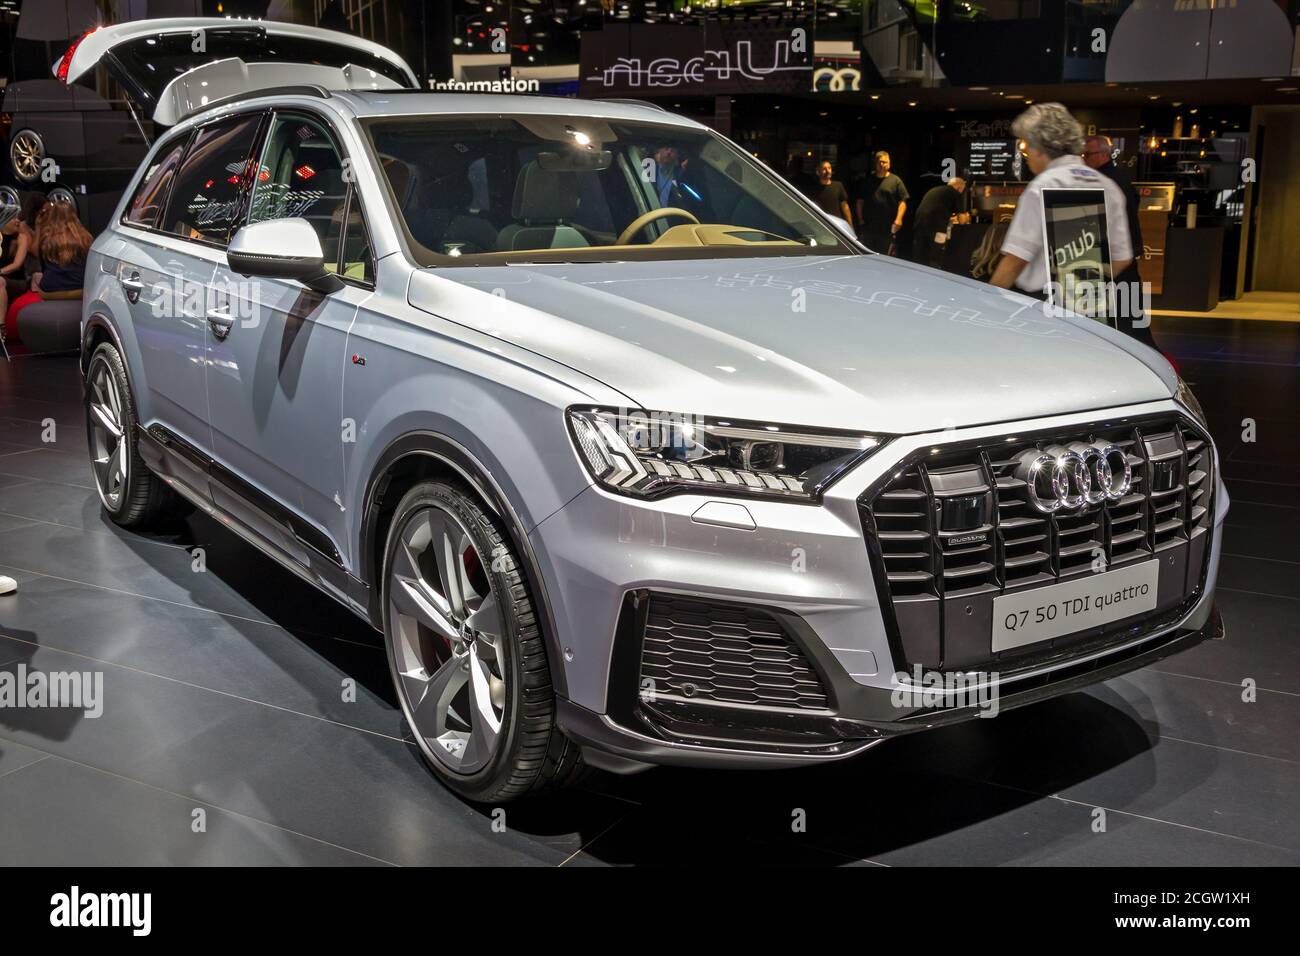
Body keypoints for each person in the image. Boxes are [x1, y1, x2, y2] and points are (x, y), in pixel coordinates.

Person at [991, 104, 1133, 309]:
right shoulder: (1108, 186)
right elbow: (1122, 258)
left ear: (1039, 148)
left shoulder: (1044, 185)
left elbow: (1016, 260)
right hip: (1089, 304)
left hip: (1038, 304)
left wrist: (989, 302)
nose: (1027, 156)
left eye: (1027, 147)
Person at [1083, 134, 1153, 345]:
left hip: (1113, 261)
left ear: (1104, 154)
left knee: (1122, 323)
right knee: (1131, 321)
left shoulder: (1103, 182)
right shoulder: (1120, 178)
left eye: (1088, 154)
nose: (1084, 158)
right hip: (1124, 260)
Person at [4, 201, 93, 343]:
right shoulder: (86, 238)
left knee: (40, 280)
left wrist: (39, 227)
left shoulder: (47, 238)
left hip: (51, 291)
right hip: (80, 289)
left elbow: (42, 263)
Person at [855, 150, 909, 255]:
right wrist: (860, 219)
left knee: (885, 255)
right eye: (880, 162)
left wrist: (899, 219)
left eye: (885, 162)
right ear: (875, 163)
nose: (882, 164)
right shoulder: (868, 180)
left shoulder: (895, 180)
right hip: (869, 226)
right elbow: (860, 201)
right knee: (868, 254)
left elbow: (903, 201)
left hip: (887, 227)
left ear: (889, 163)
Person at [912, 177, 967, 269]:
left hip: (919, 225)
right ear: (959, 188)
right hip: (937, 228)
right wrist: (966, 217)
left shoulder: (935, 190)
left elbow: (935, 209)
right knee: (935, 259)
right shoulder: (955, 193)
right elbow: (961, 221)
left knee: (920, 258)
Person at [810, 160, 853, 228]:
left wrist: (850, 225)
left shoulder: (838, 185)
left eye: (829, 168)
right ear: (818, 172)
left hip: (837, 225)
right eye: (824, 169)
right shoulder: (814, 189)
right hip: (821, 225)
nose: (828, 171)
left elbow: (844, 206)